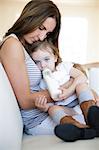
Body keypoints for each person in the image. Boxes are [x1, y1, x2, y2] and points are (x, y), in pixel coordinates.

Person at [0, 0, 99, 142]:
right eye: (41, 28)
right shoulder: (12, 44)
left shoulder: (28, 46)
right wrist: (70, 88)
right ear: (29, 18)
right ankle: (85, 129)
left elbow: (62, 74)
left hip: (54, 108)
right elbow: (25, 101)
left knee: (92, 106)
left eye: (47, 33)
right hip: (41, 117)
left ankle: (87, 123)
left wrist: (85, 92)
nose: (42, 37)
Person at [30, 39, 99, 141]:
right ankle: (79, 129)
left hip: (80, 103)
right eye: (37, 62)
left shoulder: (64, 67)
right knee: (52, 109)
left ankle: (92, 118)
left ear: (55, 57)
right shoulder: (42, 83)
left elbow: (82, 77)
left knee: (82, 85)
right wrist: (43, 107)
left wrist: (70, 90)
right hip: (68, 109)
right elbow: (50, 104)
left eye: (46, 59)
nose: (43, 65)